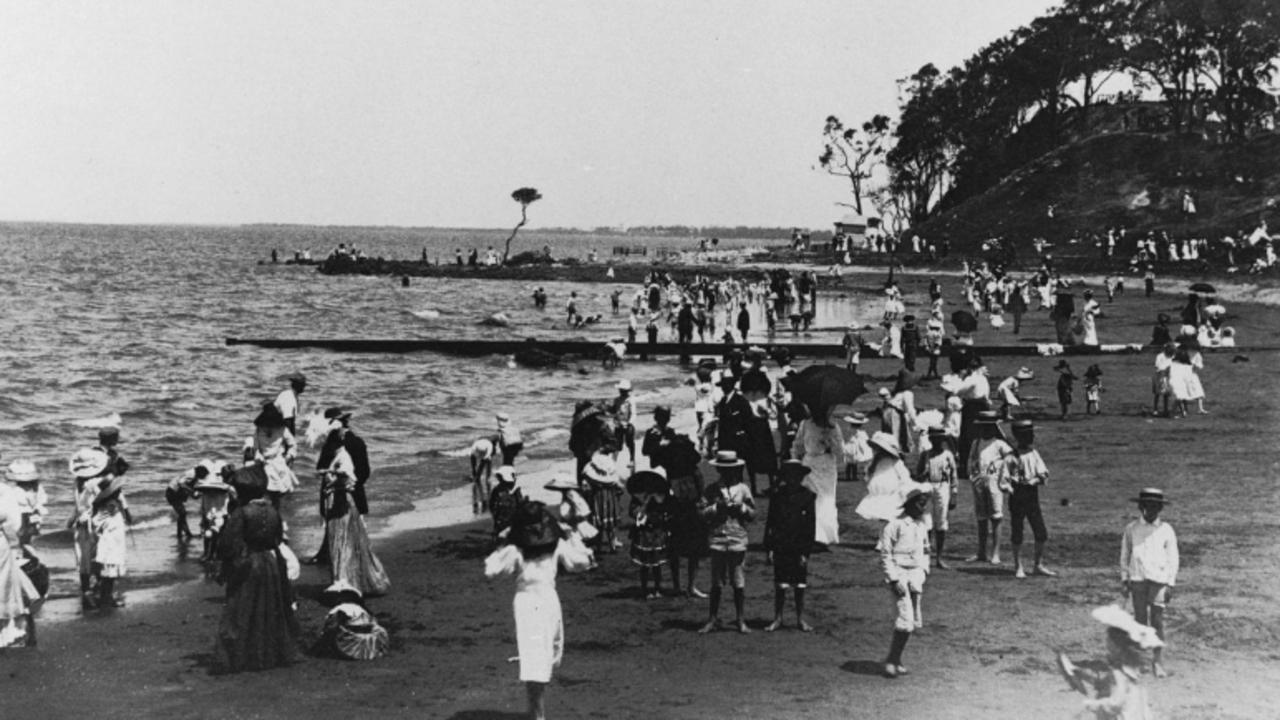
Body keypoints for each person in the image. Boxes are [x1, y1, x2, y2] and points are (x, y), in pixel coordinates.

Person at [484, 501, 593, 720]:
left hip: (526, 601)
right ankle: (537, 712)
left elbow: (490, 570)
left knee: (532, 655)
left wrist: (501, 542)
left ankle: (536, 711)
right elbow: (582, 562)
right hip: (547, 599)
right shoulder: (556, 546)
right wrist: (572, 536)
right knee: (545, 654)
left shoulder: (516, 550)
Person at [214, 469, 300, 673]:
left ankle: (242, 657)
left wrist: (225, 562)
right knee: (267, 608)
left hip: (248, 564)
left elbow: (228, 544)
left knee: (241, 609)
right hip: (270, 563)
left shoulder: (241, 513)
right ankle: (266, 654)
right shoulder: (272, 511)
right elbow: (278, 538)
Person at [641, 406, 707, 596]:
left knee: (682, 542)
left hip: (672, 481)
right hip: (662, 475)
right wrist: (660, 446)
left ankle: (685, 585)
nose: (665, 419)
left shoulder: (671, 435)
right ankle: (681, 585)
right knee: (675, 542)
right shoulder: (653, 433)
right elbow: (648, 453)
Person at [318, 424, 390, 597]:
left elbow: (350, 478)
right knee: (342, 542)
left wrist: (330, 476)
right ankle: (344, 579)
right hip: (338, 504)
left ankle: (343, 580)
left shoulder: (342, 457)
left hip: (341, 505)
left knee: (342, 543)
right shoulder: (338, 455)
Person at [1057, 605, 1163, 720]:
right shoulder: (1131, 669)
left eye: (1109, 641)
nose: (1107, 643)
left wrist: (1092, 705)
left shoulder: (1118, 673)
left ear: (1116, 647)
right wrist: (1079, 672)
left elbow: (1115, 704)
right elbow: (1106, 682)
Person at [1120, 487, 1179, 678]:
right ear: (1141, 507)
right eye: (1147, 505)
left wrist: (1170, 583)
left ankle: (1157, 662)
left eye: (1155, 506)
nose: (1151, 510)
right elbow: (1125, 555)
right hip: (1137, 578)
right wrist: (1124, 579)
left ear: (1160, 509)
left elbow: (1173, 558)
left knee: (1157, 621)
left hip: (1159, 580)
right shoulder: (1132, 529)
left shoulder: (1166, 530)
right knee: (1139, 621)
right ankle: (1137, 663)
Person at [698, 450, 755, 634]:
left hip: (737, 538)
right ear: (719, 470)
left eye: (732, 470)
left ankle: (740, 620)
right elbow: (701, 513)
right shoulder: (712, 489)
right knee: (716, 583)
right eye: (724, 470)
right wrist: (717, 507)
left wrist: (743, 508)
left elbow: (753, 514)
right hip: (718, 538)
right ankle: (712, 619)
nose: (728, 473)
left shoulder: (743, 489)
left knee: (738, 582)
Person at [878, 489, 932, 679]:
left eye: (925, 504)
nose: (923, 507)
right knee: (905, 619)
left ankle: (896, 658)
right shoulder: (894, 525)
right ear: (909, 504)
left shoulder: (922, 526)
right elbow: (885, 555)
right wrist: (893, 579)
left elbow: (926, 552)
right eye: (919, 503)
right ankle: (892, 660)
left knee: (912, 620)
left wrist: (923, 572)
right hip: (899, 574)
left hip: (915, 576)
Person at [763, 459, 816, 632]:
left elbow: (810, 526)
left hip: (799, 545)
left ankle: (800, 619)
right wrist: (769, 547)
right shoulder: (778, 495)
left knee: (799, 584)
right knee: (781, 584)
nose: (793, 480)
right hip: (781, 544)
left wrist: (805, 551)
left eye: (797, 476)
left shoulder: (807, 496)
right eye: (790, 476)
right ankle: (778, 618)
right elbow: (770, 522)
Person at [790, 411, 850, 545]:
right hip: (809, 464)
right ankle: (809, 532)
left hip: (826, 465)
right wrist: (795, 461)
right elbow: (798, 444)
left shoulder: (833, 426)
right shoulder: (805, 424)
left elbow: (840, 450)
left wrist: (829, 441)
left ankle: (823, 535)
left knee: (826, 499)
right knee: (809, 497)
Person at [1007, 420, 1056, 579]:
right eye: (1028, 434)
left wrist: (1035, 480)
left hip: (1031, 494)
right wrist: (1013, 484)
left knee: (1040, 531)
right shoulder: (1011, 456)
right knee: (1017, 531)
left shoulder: (1033, 453)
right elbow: (1004, 478)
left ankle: (1037, 564)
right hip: (1017, 494)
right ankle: (1018, 565)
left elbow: (1043, 473)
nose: (1032, 437)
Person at [967, 412, 1012, 565]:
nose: (986, 430)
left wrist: (1004, 476)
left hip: (994, 483)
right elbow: (972, 461)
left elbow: (1011, 458)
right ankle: (981, 552)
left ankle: (996, 553)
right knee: (981, 517)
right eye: (983, 427)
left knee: (996, 517)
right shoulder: (976, 443)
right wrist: (973, 476)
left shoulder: (999, 444)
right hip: (980, 482)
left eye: (989, 427)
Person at [68, 447, 109, 609]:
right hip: (95, 523)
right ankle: (96, 586)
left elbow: (78, 507)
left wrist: (70, 521)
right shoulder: (95, 483)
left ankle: (86, 590)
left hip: (81, 524)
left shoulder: (77, 482)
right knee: (97, 556)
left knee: (83, 560)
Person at [0, 479, 39, 647]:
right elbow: (13, 523)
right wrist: (15, 544)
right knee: (5, 587)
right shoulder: (4, 491)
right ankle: (8, 631)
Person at [855, 432, 927, 523]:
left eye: (881, 449)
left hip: (892, 495)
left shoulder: (895, 462)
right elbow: (868, 477)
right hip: (878, 496)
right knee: (882, 518)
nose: (879, 452)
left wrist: (905, 489)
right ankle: (884, 535)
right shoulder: (875, 463)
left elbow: (904, 477)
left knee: (891, 519)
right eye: (878, 449)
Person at [916, 428, 957, 569]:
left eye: (939, 439)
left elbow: (954, 475)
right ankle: (925, 556)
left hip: (942, 487)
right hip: (927, 487)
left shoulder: (947, 455)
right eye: (934, 439)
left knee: (941, 521)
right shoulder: (925, 455)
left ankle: (939, 557)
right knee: (926, 522)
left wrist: (954, 494)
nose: (937, 442)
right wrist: (922, 475)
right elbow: (918, 474)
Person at [627, 469, 670, 599]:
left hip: (657, 533)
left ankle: (657, 588)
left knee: (657, 565)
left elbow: (664, 512)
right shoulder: (637, 499)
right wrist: (645, 503)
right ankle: (644, 588)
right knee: (645, 565)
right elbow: (634, 513)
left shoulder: (660, 498)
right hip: (644, 534)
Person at [90, 476, 129, 608]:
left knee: (108, 572)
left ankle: (105, 597)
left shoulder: (105, 504)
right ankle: (106, 598)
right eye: (117, 489)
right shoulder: (111, 504)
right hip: (111, 542)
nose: (120, 491)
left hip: (110, 540)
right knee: (110, 573)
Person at [581, 451, 624, 552]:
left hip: (597, 501)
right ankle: (612, 545)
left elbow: (586, 489)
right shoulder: (611, 482)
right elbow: (619, 489)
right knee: (610, 526)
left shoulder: (593, 481)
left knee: (598, 525)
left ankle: (599, 546)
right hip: (610, 501)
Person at [1168, 338, 1207, 417]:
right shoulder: (1182, 352)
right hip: (1183, 375)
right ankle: (1182, 410)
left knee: (1198, 391)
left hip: (1192, 374)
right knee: (1182, 393)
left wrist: (1195, 367)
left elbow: (1199, 364)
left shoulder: (1196, 354)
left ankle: (1200, 408)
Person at [167, 462, 205, 543]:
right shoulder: (191, 474)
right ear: (200, 471)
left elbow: (192, 493)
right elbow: (181, 483)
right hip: (172, 492)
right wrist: (193, 492)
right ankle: (180, 534)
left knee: (182, 514)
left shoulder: (196, 477)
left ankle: (186, 534)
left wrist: (198, 494)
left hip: (177, 493)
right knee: (182, 513)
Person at [488, 465, 524, 542]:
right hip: (506, 521)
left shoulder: (500, 490)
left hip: (506, 522)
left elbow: (492, 505)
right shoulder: (514, 491)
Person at [611, 380, 638, 468]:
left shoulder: (630, 400)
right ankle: (613, 462)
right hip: (618, 425)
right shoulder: (616, 400)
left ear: (627, 391)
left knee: (630, 443)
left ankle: (632, 460)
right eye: (621, 390)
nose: (621, 392)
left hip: (628, 425)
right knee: (616, 444)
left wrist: (628, 423)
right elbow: (614, 412)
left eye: (623, 390)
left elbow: (633, 414)